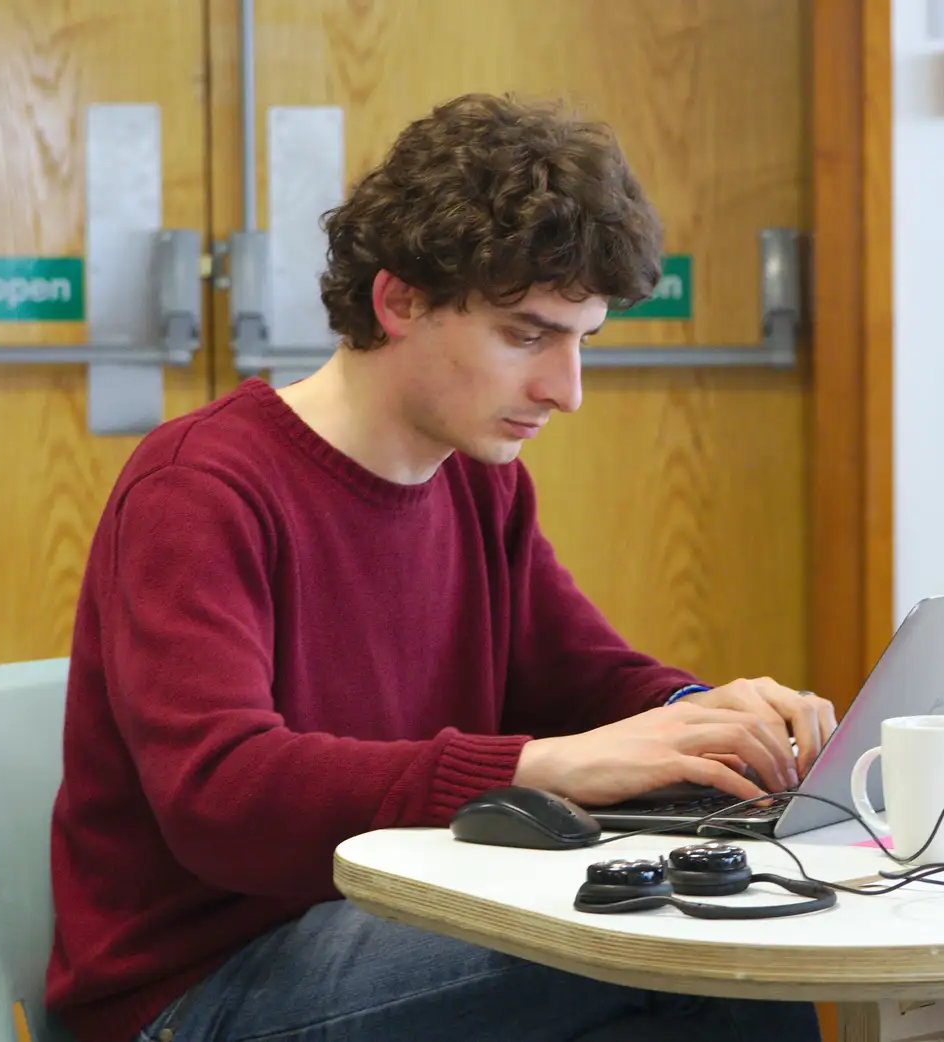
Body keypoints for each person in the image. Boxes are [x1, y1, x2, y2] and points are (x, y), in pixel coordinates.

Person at [44, 92, 835, 1042]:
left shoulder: (479, 482)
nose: (566, 391)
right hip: (203, 989)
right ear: (400, 300)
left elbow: (583, 677)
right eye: (527, 335)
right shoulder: (200, 486)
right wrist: (540, 765)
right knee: (698, 952)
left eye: (584, 341)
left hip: (399, 918)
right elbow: (222, 795)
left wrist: (708, 722)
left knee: (724, 946)